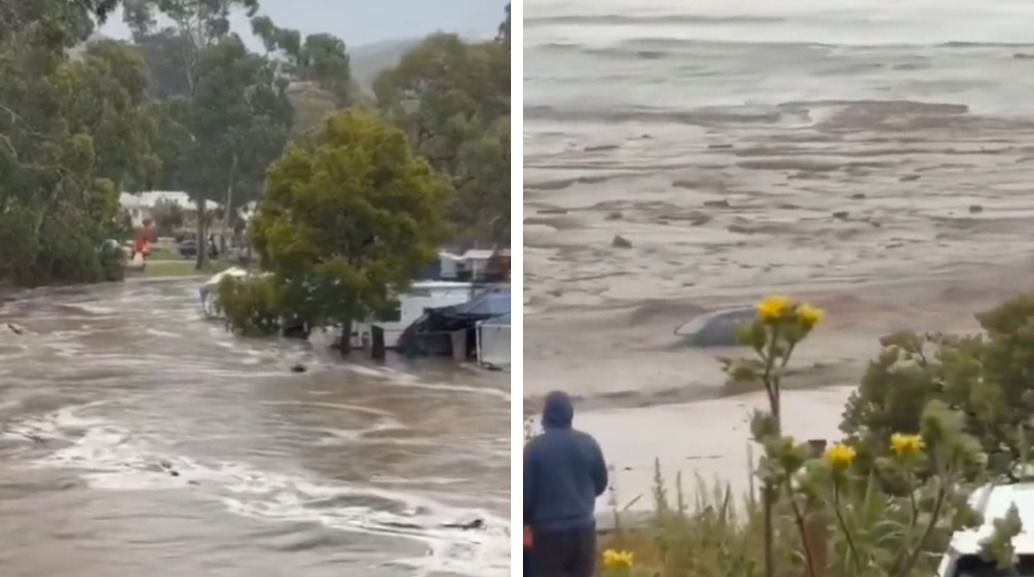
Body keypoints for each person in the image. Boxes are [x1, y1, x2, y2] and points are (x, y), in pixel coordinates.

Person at [523, 390, 608, 577]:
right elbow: (601, 484)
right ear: (570, 414)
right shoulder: (589, 443)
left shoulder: (534, 449)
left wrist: (525, 522)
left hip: (548, 535)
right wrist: (579, 498)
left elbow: (525, 497)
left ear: (545, 417)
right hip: (584, 530)